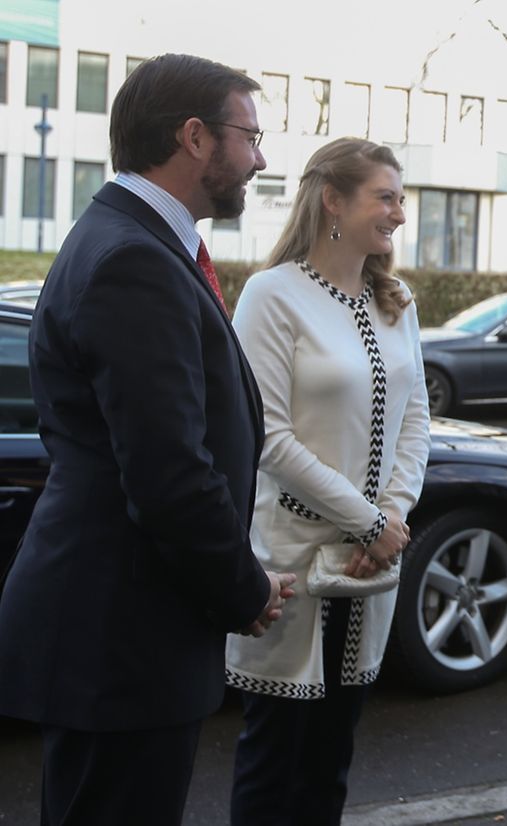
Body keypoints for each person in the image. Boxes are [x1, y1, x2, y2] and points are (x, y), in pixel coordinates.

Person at [0, 54, 295, 825]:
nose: (259, 159)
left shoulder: (135, 244)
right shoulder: (133, 260)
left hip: (123, 634)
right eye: (250, 136)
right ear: (194, 137)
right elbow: (169, 474)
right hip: (118, 640)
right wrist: (246, 588)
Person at [224, 137, 431, 826]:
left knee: (331, 765)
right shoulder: (272, 295)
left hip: (370, 568)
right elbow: (270, 437)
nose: (399, 213)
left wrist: (392, 517)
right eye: (386, 196)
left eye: (401, 198)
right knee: (274, 760)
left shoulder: (396, 300)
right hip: (294, 564)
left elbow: (416, 421)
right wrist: (371, 521)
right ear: (334, 201)